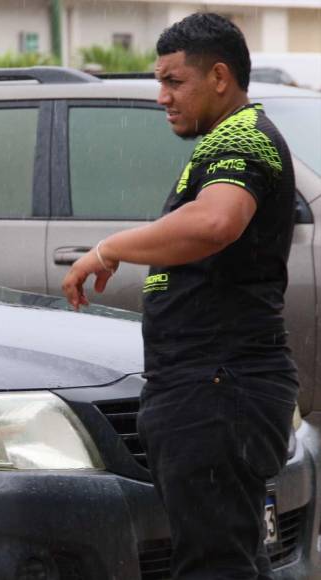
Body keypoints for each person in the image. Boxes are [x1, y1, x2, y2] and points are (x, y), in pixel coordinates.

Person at [62, 13, 298, 580]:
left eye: (174, 81)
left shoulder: (242, 136)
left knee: (214, 564)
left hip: (220, 385)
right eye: (159, 81)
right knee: (229, 556)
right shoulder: (223, 139)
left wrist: (111, 247)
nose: (161, 96)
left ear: (219, 76)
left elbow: (216, 222)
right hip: (208, 384)